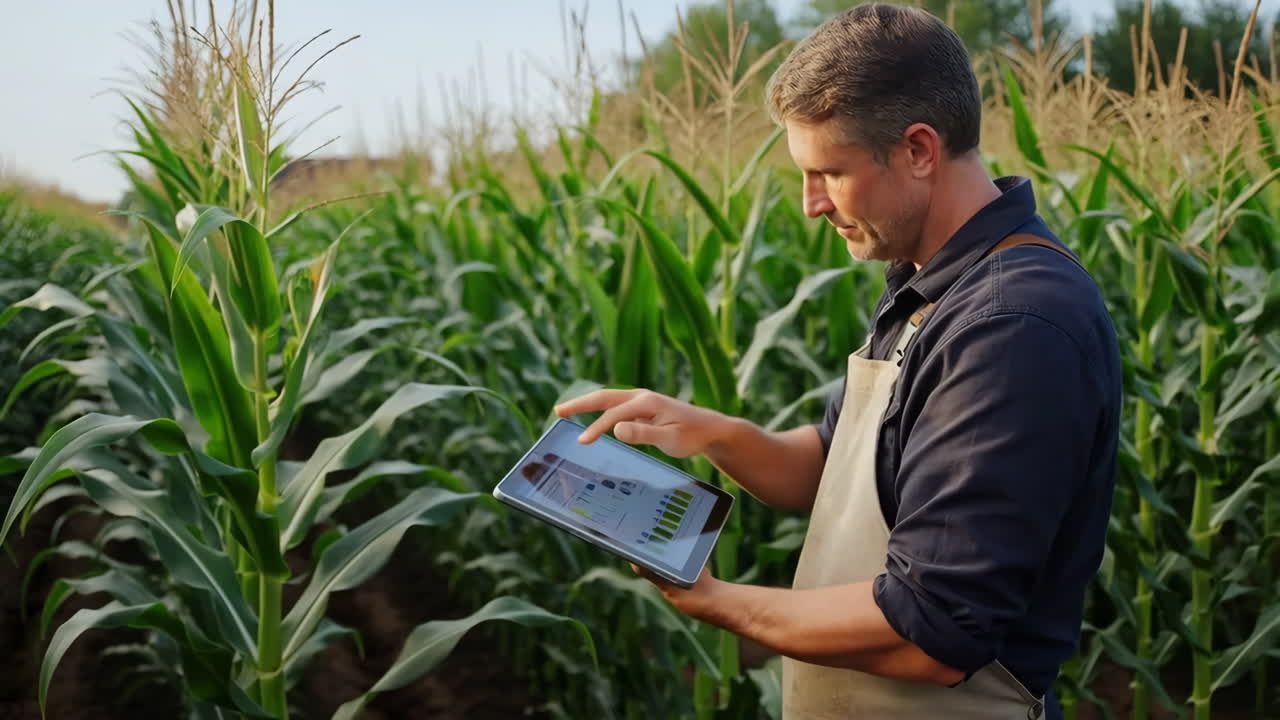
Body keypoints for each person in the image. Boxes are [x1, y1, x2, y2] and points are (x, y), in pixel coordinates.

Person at [553, 4, 1121, 718]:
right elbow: (839, 468)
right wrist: (709, 432)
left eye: (828, 173)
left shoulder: (1012, 325)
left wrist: (717, 601)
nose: (810, 205)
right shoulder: (929, 285)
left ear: (918, 149)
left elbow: (936, 630)